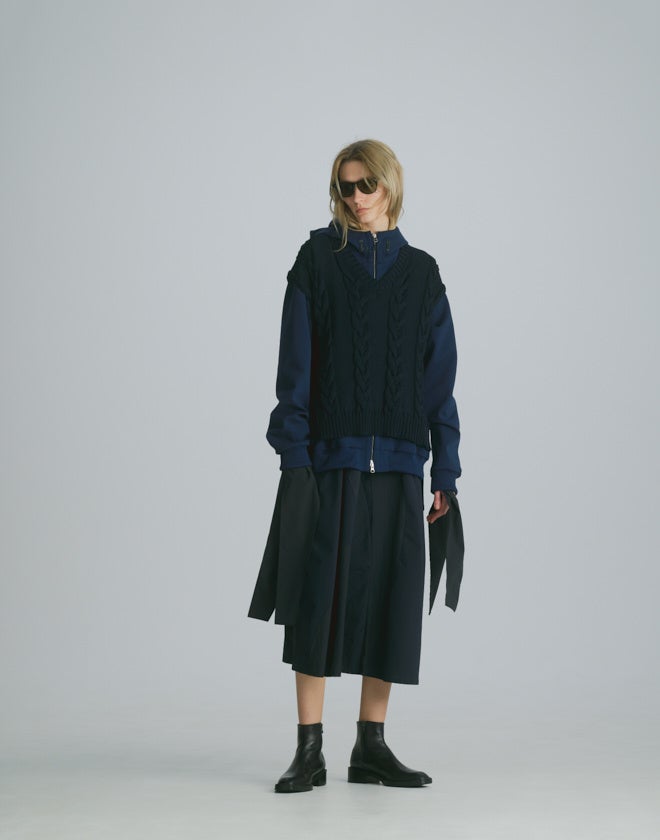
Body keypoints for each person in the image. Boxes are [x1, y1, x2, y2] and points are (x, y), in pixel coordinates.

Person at [248, 138, 463, 793]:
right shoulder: (316, 261)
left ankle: (371, 746)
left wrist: (445, 474)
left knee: (390, 602)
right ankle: (308, 749)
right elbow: (293, 370)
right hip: (328, 462)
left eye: (366, 183)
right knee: (317, 601)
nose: (356, 197)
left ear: (390, 184)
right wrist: (294, 456)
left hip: (400, 464)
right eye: (345, 186)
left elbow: (439, 385)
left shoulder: (422, 274)